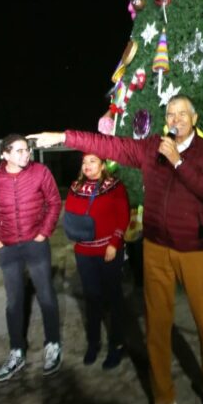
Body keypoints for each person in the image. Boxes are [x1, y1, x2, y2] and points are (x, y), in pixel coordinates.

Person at [28, 95, 203, 404]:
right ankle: (164, 399)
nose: (176, 118)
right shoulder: (153, 147)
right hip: (155, 249)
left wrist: (179, 162)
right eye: (170, 113)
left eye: (183, 113)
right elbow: (110, 144)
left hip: (196, 251)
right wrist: (63, 137)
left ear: (194, 118)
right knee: (156, 326)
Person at [0, 133, 63, 382]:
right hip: (8, 248)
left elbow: (54, 202)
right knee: (14, 301)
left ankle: (53, 345)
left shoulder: (40, 172)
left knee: (46, 295)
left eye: (26, 149)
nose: (25, 154)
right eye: (18, 151)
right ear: (4, 154)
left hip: (35, 244)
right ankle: (17, 351)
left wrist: (43, 232)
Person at [65, 152, 130, 369]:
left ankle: (117, 344)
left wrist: (114, 242)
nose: (87, 166)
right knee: (91, 299)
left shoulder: (114, 186)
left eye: (92, 161)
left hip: (108, 251)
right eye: (84, 162)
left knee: (114, 298)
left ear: (103, 165)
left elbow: (123, 216)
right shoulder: (75, 187)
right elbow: (71, 216)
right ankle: (93, 343)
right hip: (84, 252)